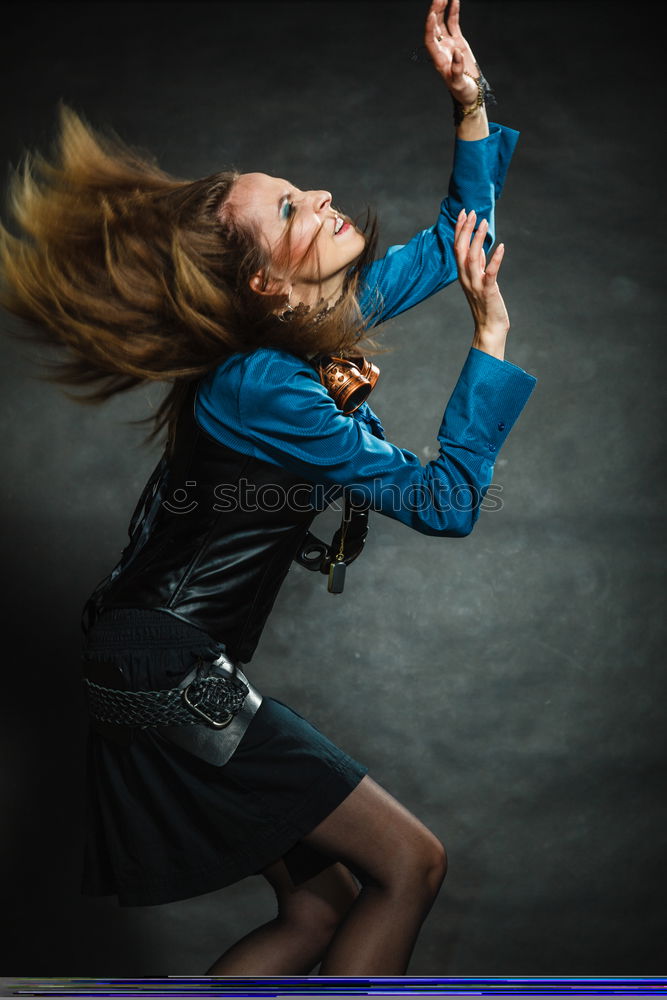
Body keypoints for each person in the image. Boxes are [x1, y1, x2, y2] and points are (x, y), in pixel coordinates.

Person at [0, 0, 536, 977]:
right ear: (263, 285)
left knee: (319, 910)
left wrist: (468, 101)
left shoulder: (289, 335)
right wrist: (488, 339)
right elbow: (447, 503)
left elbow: (460, 235)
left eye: (297, 190)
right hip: (164, 668)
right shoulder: (267, 384)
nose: (321, 195)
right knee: (409, 863)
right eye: (289, 208)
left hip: (146, 657)